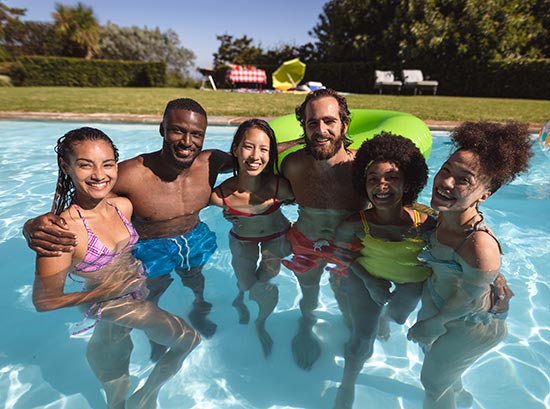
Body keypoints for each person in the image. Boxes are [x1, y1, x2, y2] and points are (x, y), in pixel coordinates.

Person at [24, 98, 233, 360]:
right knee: (151, 293)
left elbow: (254, 159)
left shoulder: (212, 162)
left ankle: (199, 307)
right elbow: (88, 199)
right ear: (162, 129)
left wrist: (299, 144)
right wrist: (32, 225)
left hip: (194, 237)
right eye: (177, 130)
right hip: (152, 246)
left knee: (195, 278)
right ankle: (154, 336)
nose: (187, 141)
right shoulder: (128, 174)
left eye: (196, 134)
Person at [33, 127, 200, 409]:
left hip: (128, 302)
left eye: (107, 164)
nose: (99, 174)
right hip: (108, 303)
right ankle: (147, 395)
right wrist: (105, 292)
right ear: (67, 166)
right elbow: (44, 301)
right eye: (86, 165)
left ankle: (130, 395)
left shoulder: (122, 206)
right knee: (189, 339)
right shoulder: (63, 231)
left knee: (117, 355)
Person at [407, 121, 533, 409]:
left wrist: (434, 323)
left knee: (433, 382)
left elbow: (469, 298)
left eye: (464, 179)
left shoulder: (477, 245)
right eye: (446, 169)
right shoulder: (440, 218)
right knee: (442, 374)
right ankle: (460, 400)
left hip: (471, 324)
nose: (446, 182)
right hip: (444, 305)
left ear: (485, 194)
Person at [332, 132, 436, 409]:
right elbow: (342, 254)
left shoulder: (427, 222)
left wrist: (494, 277)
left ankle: (385, 320)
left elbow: (464, 242)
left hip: (412, 280)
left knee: (399, 317)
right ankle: (347, 384)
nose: (382, 185)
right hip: (368, 275)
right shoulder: (354, 224)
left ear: (408, 182)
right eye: (373, 179)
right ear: (363, 184)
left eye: (392, 177)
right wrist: (368, 281)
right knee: (360, 339)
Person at [279, 88, 368, 370]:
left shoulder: (364, 169)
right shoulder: (292, 165)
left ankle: (354, 326)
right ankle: (305, 326)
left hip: (349, 248)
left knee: (346, 296)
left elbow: (408, 209)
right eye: (312, 123)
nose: (321, 130)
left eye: (329, 121)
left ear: (345, 124)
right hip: (306, 242)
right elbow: (252, 157)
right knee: (308, 291)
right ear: (303, 128)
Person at [210, 118, 294, 357]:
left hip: (275, 237)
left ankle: (261, 322)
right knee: (247, 283)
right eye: (248, 147)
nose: (255, 155)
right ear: (235, 150)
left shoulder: (281, 187)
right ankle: (241, 294)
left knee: (266, 280)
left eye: (263, 149)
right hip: (242, 238)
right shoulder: (221, 195)